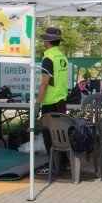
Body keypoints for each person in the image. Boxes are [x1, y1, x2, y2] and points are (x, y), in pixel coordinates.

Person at [36, 27, 70, 175]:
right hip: (62, 101)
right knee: (60, 135)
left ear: (48, 41)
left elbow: (45, 83)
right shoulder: (62, 57)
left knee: (49, 136)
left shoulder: (48, 58)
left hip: (50, 102)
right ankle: (64, 163)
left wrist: (38, 102)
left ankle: (52, 165)